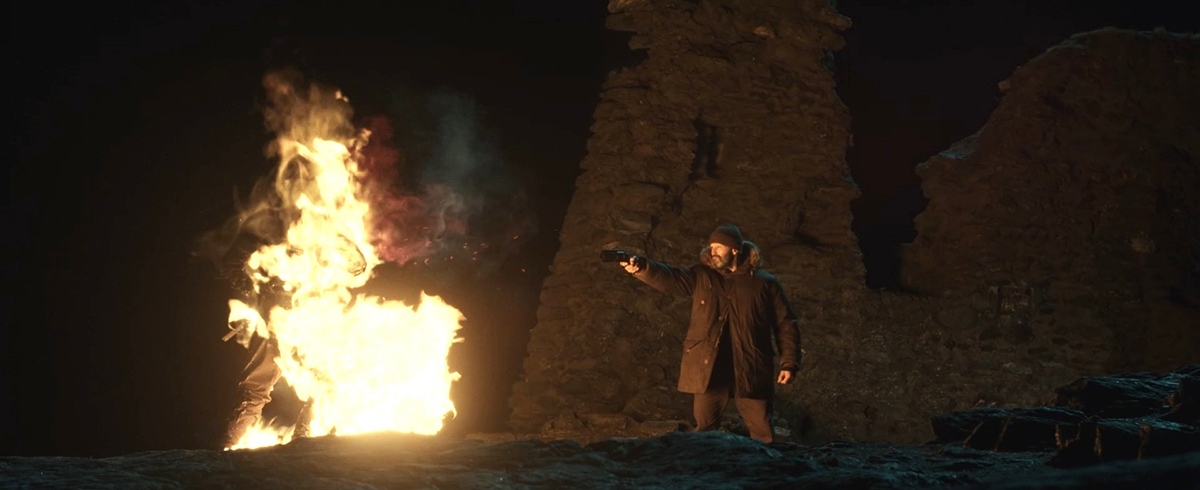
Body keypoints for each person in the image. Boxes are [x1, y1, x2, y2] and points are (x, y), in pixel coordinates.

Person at [620, 224, 800, 443]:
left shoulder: (764, 283)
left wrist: (789, 363)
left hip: (751, 367)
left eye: (719, 247)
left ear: (735, 249)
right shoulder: (702, 276)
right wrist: (642, 268)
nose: (713, 251)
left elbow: (785, 323)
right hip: (711, 369)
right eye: (711, 246)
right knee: (704, 428)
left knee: (762, 430)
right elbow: (671, 278)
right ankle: (703, 464)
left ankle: (765, 464)